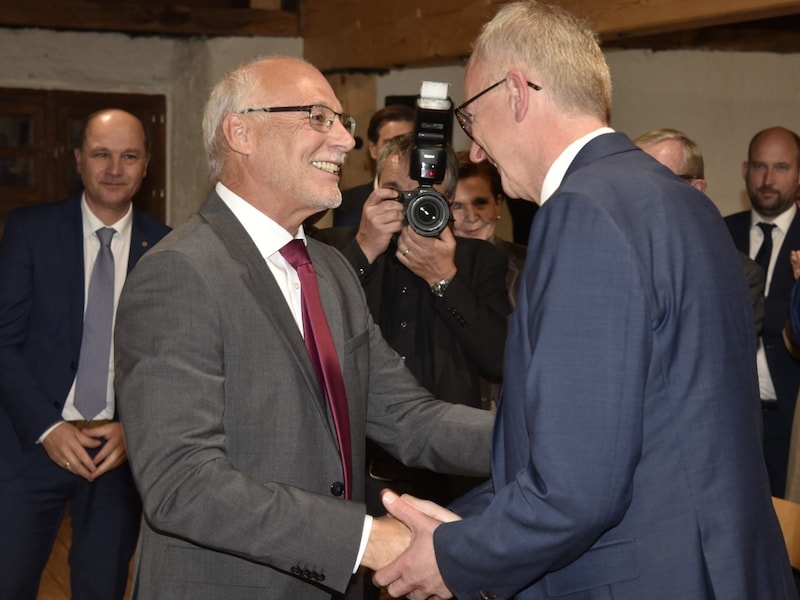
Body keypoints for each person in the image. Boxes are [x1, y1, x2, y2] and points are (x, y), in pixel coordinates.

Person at [373, 3, 796, 599]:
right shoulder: (680, 202)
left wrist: (453, 557)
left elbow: (577, 488)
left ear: (516, 92)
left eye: (471, 120)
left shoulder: (583, 212)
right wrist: (463, 525)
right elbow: (640, 429)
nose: (474, 153)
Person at [113, 55, 493, 600]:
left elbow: (410, 418)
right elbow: (183, 484)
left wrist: (544, 439)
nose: (342, 140)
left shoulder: (330, 268)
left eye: (341, 121)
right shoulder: (180, 273)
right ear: (240, 131)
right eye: (318, 117)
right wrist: (368, 539)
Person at [0, 108, 171, 599]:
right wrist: (48, 428)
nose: (114, 168)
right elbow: (4, 344)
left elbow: (170, 367)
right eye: (101, 154)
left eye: (129, 156)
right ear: (78, 159)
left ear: (145, 166)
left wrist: (133, 429)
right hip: (28, 446)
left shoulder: (168, 249)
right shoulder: (29, 231)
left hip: (117, 458)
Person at [316, 133, 509, 499]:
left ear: (448, 201)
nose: (409, 206)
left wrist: (444, 279)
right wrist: (363, 251)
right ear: (373, 189)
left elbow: (499, 357)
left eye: (424, 195)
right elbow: (311, 328)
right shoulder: (332, 250)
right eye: (394, 192)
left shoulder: (478, 260)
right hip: (353, 469)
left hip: (450, 475)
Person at [725, 126, 800, 498]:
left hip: (792, 427)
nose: (768, 179)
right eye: (759, 166)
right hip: (729, 423)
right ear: (744, 170)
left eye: (782, 167)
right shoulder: (717, 232)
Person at [634, 127, 765, 336]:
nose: (642, 194)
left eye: (659, 180)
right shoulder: (612, 260)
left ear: (696, 190)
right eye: (634, 182)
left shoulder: (740, 275)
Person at [452, 149, 527, 308]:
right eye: (457, 206)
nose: (472, 217)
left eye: (480, 203)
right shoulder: (426, 267)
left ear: (498, 204)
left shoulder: (532, 263)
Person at [333, 104, 415, 226]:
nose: (400, 152)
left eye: (407, 143)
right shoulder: (345, 206)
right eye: (390, 144)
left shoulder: (432, 202)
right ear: (373, 149)